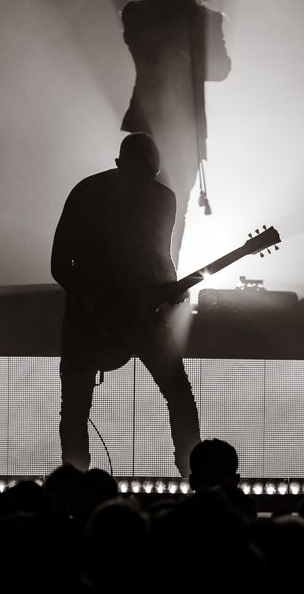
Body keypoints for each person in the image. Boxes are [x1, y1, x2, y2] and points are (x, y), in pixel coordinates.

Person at [51, 133, 201, 476]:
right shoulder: (87, 194)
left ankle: (193, 472)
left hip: (142, 313)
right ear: (119, 166)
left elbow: (159, 255)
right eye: (137, 176)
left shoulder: (163, 199)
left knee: (179, 393)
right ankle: (76, 480)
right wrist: (97, 306)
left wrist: (172, 287)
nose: (142, 186)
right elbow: (61, 264)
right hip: (89, 319)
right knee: (75, 407)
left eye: (148, 178)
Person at [120, 0, 231, 267]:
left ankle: (167, 274)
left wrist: (188, 53)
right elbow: (138, 45)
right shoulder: (138, 13)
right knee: (139, 203)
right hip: (147, 126)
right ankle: (137, 273)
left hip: (186, 129)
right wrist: (165, 13)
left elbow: (222, 67)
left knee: (175, 204)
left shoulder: (206, 20)